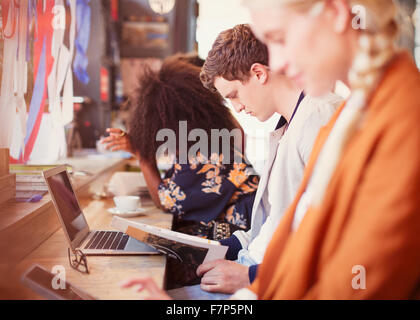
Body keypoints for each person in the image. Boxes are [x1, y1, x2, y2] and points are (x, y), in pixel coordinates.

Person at [121, 24, 342, 299]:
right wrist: (223, 249)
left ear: (259, 73)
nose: (236, 108)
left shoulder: (320, 119)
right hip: (257, 265)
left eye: (234, 95)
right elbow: (275, 223)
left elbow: (335, 241)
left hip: (270, 280)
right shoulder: (286, 127)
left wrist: (251, 276)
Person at [226, 0, 420, 299]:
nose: (275, 64)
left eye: (280, 39)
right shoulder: (348, 115)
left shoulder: (406, 122)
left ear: (338, 13)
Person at [102, 55, 259, 232]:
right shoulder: (206, 140)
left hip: (236, 237)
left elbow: (165, 201)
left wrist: (142, 154)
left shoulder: (204, 154)